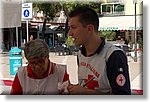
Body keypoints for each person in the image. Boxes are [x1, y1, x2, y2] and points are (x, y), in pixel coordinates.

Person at [67, 6, 131, 95]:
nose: (69, 33)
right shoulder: (80, 54)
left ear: (89, 29)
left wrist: (85, 91)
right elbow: (86, 85)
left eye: (73, 27)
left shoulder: (114, 56)